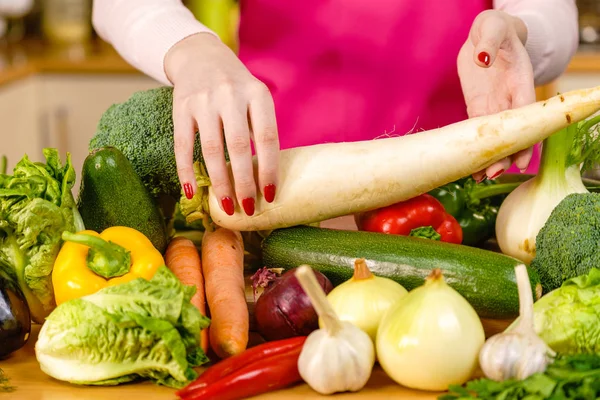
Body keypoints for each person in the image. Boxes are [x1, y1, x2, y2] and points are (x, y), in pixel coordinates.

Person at [92, 0, 579, 217]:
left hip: (469, 199)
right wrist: (191, 48)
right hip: (280, 192)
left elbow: (556, 16)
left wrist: (516, 31)